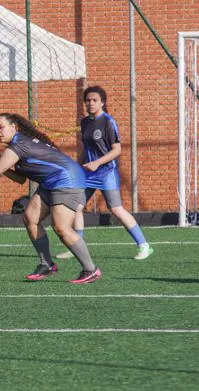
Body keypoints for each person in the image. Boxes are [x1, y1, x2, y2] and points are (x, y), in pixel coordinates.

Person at [0, 113, 102, 284]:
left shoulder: (18, 145)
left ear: (13, 127)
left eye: (1, 127)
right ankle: (46, 265)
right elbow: (20, 179)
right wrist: (3, 166)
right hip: (51, 183)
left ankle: (91, 270)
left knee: (61, 228)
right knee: (30, 218)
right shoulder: (18, 144)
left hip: (67, 181)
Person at [56, 86, 153, 261]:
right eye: (88, 100)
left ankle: (144, 245)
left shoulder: (108, 122)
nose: (91, 103)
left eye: (94, 100)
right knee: (76, 207)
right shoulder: (84, 122)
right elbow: (87, 149)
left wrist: (97, 163)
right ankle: (75, 247)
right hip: (88, 174)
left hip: (106, 172)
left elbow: (116, 150)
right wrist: (78, 167)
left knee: (116, 209)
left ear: (102, 102)